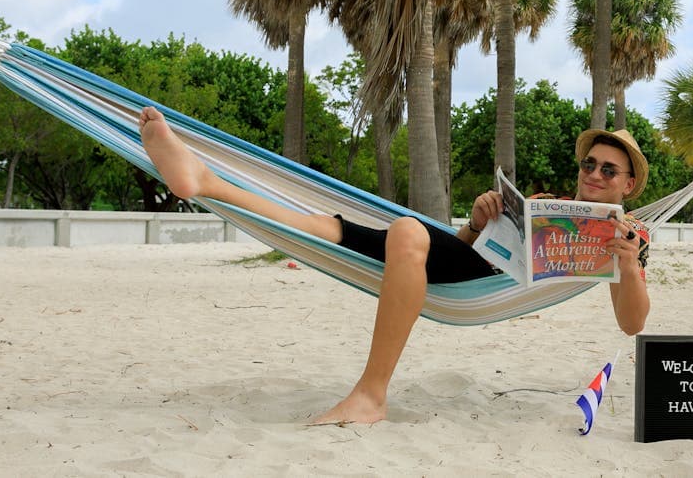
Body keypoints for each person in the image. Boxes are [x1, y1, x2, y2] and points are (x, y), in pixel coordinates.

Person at [137, 106, 651, 425]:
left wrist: (627, 266)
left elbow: (632, 323)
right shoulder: (543, 203)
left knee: (406, 230)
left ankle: (370, 395)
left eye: (610, 169)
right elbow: (467, 247)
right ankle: (203, 181)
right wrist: (478, 220)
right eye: (590, 163)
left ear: (629, 184)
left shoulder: (628, 236)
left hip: (488, 289)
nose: (596, 174)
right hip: (463, 269)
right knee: (326, 226)